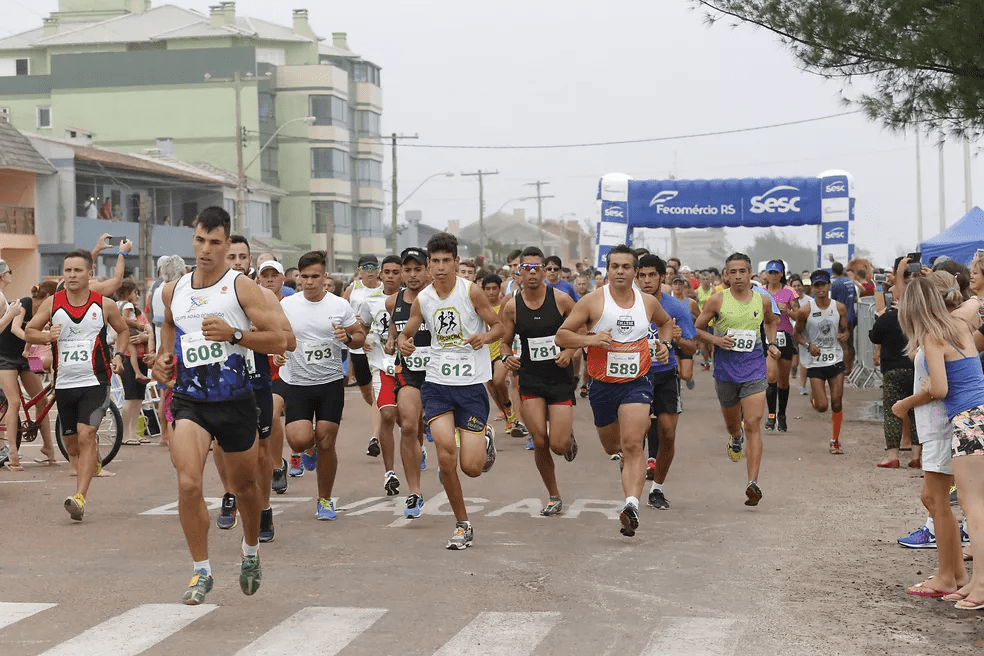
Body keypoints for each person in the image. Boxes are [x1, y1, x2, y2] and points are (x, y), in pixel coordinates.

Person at [150, 207, 287, 604]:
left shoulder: (241, 288)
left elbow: (279, 340)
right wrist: (163, 358)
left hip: (235, 402)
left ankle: (249, 552)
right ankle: (200, 571)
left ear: (227, 245)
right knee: (189, 482)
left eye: (215, 242)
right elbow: (170, 326)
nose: (206, 250)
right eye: (200, 241)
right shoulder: (173, 290)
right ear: (192, 240)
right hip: (190, 401)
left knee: (246, 488)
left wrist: (236, 334)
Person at [556, 245, 672, 537]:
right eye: (615, 266)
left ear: (634, 271)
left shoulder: (647, 302)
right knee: (613, 446)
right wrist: (591, 340)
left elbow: (666, 323)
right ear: (607, 270)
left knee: (633, 444)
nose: (620, 271)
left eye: (626, 267)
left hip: (637, 381)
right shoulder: (593, 301)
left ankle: (631, 505)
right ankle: (621, 462)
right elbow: (562, 335)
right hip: (603, 385)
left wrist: (665, 345)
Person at [397, 232, 503, 549]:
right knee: (446, 457)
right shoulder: (424, 299)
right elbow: (408, 331)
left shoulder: (471, 292)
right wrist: (404, 342)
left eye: (446, 261)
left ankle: (484, 438)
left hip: (470, 386)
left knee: (471, 468)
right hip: (437, 385)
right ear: (429, 265)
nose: (440, 267)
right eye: (435, 262)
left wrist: (485, 338)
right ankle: (462, 524)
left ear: (456, 262)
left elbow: (498, 326)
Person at [893, 276, 984, 608]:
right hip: (968, 419)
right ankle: (965, 578)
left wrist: (911, 399)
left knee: (967, 508)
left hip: (959, 422)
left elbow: (942, 389)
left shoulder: (934, 336)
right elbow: (975, 303)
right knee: (957, 504)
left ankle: (968, 580)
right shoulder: (959, 326)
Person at [25, 250, 128, 512]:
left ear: (89, 273)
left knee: (87, 434)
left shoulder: (104, 304)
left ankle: (80, 498)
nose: (71, 275)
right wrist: (47, 337)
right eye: (67, 270)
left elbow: (124, 330)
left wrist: (118, 356)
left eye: (77, 270)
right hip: (64, 384)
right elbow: (30, 331)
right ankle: (89, 461)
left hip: (96, 381)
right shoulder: (52, 303)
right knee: (72, 445)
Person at [279, 250, 366, 522]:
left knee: (327, 439)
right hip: (298, 383)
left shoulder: (339, 305)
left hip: (329, 382)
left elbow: (360, 336)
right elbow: (275, 334)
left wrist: (348, 338)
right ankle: (308, 448)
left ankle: (325, 500)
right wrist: (277, 350)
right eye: (304, 277)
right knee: (298, 439)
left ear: (324, 276)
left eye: (315, 276)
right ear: (297, 278)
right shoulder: (287, 305)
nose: (309, 282)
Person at [694, 253, 782, 506]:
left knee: (753, 422)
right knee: (735, 425)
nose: (738, 277)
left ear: (750, 273)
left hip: (754, 367)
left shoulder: (762, 300)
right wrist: (715, 340)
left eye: (742, 271)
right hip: (726, 370)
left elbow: (770, 323)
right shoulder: (716, 301)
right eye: (732, 272)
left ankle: (752, 482)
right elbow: (697, 329)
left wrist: (772, 343)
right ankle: (735, 438)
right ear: (726, 275)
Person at [500, 247, 579, 516]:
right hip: (531, 379)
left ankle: (567, 438)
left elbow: (580, 329)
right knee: (540, 440)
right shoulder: (512, 306)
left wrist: (569, 352)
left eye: (537, 267)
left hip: (559, 379)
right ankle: (553, 495)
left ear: (545, 270)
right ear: (518, 272)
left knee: (558, 444)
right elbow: (505, 344)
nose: (532, 272)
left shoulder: (561, 300)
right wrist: (506, 358)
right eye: (526, 268)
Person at [636, 256, 697, 509]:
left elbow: (692, 347)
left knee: (668, 435)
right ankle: (632, 485)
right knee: (633, 435)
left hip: (665, 375)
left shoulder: (676, 308)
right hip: (635, 376)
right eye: (642, 276)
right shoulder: (628, 306)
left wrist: (679, 339)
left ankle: (657, 489)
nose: (647, 281)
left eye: (652, 275)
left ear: (663, 277)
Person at [387, 246, 432, 519]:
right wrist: (393, 342)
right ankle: (414, 492)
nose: (413, 275)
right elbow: (393, 334)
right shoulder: (393, 301)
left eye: (418, 269)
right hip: (410, 372)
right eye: (408, 270)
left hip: (441, 372)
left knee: (438, 430)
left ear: (427, 269)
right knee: (407, 425)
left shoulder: (438, 298)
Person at [0, 280, 57, 469]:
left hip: (23, 357)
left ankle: (48, 448)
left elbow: (39, 331)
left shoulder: (45, 312)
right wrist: (33, 338)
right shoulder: (24, 303)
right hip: (4, 356)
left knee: (41, 401)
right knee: (14, 402)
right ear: (48, 297)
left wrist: (30, 348)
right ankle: (13, 454)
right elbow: (16, 328)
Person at [360, 255, 403, 496]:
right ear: (380, 274)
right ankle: (390, 472)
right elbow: (362, 329)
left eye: (395, 272)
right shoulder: (370, 302)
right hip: (381, 365)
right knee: (387, 413)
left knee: (410, 420)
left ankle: (416, 445)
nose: (390, 276)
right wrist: (361, 340)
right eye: (386, 272)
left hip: (410, 367)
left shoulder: (415, 299)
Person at [794, 270, 849, 454]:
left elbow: (846, 330)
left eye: (823, 285)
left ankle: (835, 440)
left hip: (835, 358)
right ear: (813, 287)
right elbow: (797, 334)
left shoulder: (839, 307)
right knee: (822, 407)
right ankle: (814, 399)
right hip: (815, 362)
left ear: (829, 285)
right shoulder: (806, 310)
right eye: (817, 285)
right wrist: (808, 345)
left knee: (836, 403)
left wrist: (843, 336)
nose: (820, 289)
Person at [869, 289, 919, 468]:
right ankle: (916, 456)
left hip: (892, 370)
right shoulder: (917, 318)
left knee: (892, 413)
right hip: (915, 369)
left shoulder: (888, 318)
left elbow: (874, 336)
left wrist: (881, 316)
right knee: (915, 412)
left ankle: (892, 456)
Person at [344, 255, 383, 458]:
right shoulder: (353, 289)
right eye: (365, 267)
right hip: (357, 348)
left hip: (376, 347)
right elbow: (340, 310)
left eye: (373, 267)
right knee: (367, 393)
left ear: (378, 270)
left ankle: (375, 436)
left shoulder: (384, 289)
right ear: (359, 270)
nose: (369, 271)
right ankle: (383, 414)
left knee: (377, 391)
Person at [151, 256, 187, 448]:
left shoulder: (157, 290)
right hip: (176, 346)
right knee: (172, 391)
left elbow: (154, 319)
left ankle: (164, 434)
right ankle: (171, 432)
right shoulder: (178, 290)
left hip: (162, 346)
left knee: (164, 392)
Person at [763, 260, 800, 432]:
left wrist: (787, 311)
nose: (772, 276)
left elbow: (798, 314)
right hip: (768, 336)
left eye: (775, 272)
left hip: (784, 335)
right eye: (769, 272)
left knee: (783, 382)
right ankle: (771, 415)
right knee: (771, 376)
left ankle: (782, 414)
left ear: (781, 274)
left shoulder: (789, 291)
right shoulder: (760, 292)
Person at [116, 279, 154, 446]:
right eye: (135, 293)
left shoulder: (138, 311)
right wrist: (142, 331)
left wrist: (146, 337)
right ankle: (125, 434)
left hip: (141, 356)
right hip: (126, 355)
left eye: (139, 293)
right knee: (130, 396)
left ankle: (134, 432)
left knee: (139, 397)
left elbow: (149, 331)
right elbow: (118, 331)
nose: (137, 296)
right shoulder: (124, 309)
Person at [670, 274, 698, 389]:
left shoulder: (690, 303)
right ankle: (678, 399)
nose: (677, 286)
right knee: (676, 372)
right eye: (675, 284)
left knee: (685, 375)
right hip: (672, 341)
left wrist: (694, 331)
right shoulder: (667, 302)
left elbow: (700, 318)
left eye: (680, 284)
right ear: (671, 286)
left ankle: (688, 379)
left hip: (686, 339)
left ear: (684, 287)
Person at [829, 261, 858, 374]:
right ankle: (849, 367)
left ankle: (846, 369)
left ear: (833, 271)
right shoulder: (850, 282)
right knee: (850, 343)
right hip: (852, 316)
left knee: (844, 344)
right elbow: (855, 299)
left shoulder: (835, 284)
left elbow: (833, 302)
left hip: (842, 317)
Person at [695, 271, 716, 372]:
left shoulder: (713, 291)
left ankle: (714, 360)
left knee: (712, 343)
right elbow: (696, 303)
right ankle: (706, 361)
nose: (705, 281)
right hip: (701, 319)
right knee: (703, 343)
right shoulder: (697, 291)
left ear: (710, 279)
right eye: (703, 279)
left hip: (711, 320)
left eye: (707, 279)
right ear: (700, 280)